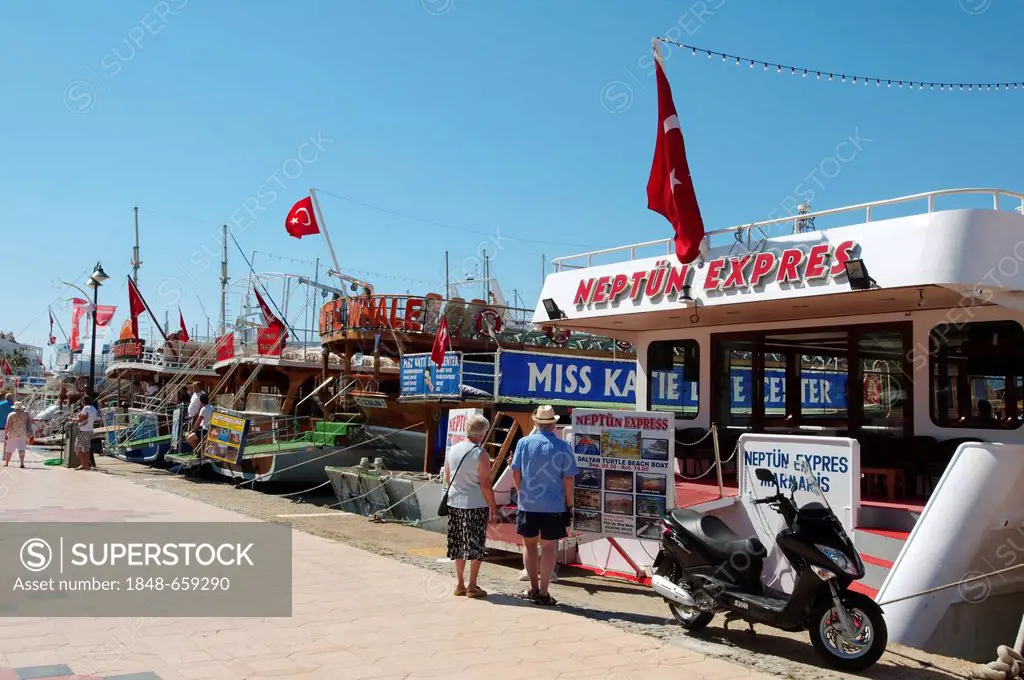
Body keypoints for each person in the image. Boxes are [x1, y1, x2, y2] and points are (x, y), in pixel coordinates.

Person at [511, 405, 577, 606]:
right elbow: (568, 479)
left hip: (528, 504)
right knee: (549, 547)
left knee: (529, 546)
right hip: (554, 505)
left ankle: (532, 587)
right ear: (554, 424)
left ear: (535, 422)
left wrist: (522, 491)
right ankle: (544, 592)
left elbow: (515, 472)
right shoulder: (563, 447)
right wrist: (570, 504)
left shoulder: (523, 443)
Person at [444, 414, 498, 599]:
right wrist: (494, 506)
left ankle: (459, 584)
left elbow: (448, 478)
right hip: (475, 504)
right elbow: (485, 484)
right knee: (475, 545)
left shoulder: (454, 449)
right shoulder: (480, 454)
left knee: (458, 543)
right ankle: (472, 585)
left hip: (454, 502)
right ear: (482, 433)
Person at [3, 401, 32, 468]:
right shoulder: (26, 414)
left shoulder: (11, 414)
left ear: (14, 408)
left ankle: (7, 463)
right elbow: (30, 423)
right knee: (21, 449)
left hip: (13, 434)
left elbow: (8, 425)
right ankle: (22, 463)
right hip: (23, 434)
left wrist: (6, 434)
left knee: (9, 449)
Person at [75, 395, 101, 470]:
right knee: (86, 448)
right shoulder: (93, 408)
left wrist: (73, 419)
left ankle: (83, 464)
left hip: (84, 430)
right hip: (90, 430)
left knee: (77, 448)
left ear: (84, 402)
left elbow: (80, 420)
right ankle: (86, 465)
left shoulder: (85, 408)